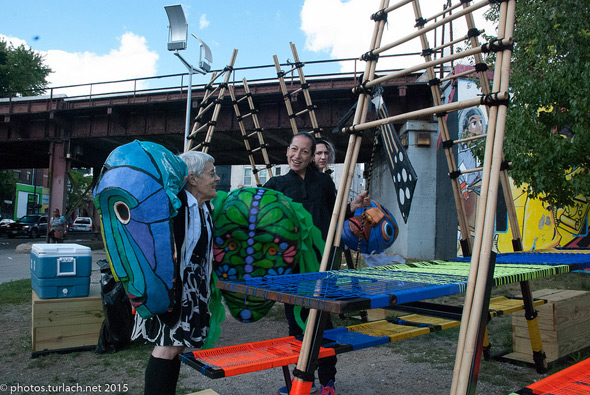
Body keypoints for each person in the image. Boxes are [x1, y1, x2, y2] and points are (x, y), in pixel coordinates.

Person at [264, 132, 368, 395]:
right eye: (292, 149)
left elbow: (336, 215)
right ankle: (301, 381)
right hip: (291, 266)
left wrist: (352, 207)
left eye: (303, 152)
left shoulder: (323, 182)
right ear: (287, 150)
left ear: (311, 157)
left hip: (322, 263)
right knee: (295, 322)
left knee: (322, 320)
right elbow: (262, 222)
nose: (296, 156)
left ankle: (328, 382)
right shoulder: (275, 184)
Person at [132, 151, 220, 395]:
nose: (217, 178)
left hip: (192, 286)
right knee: (167, 347)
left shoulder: (203, 207)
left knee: (177, 347)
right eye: (211, 173)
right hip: (174, 287)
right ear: (192, 179)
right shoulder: (174, 207)